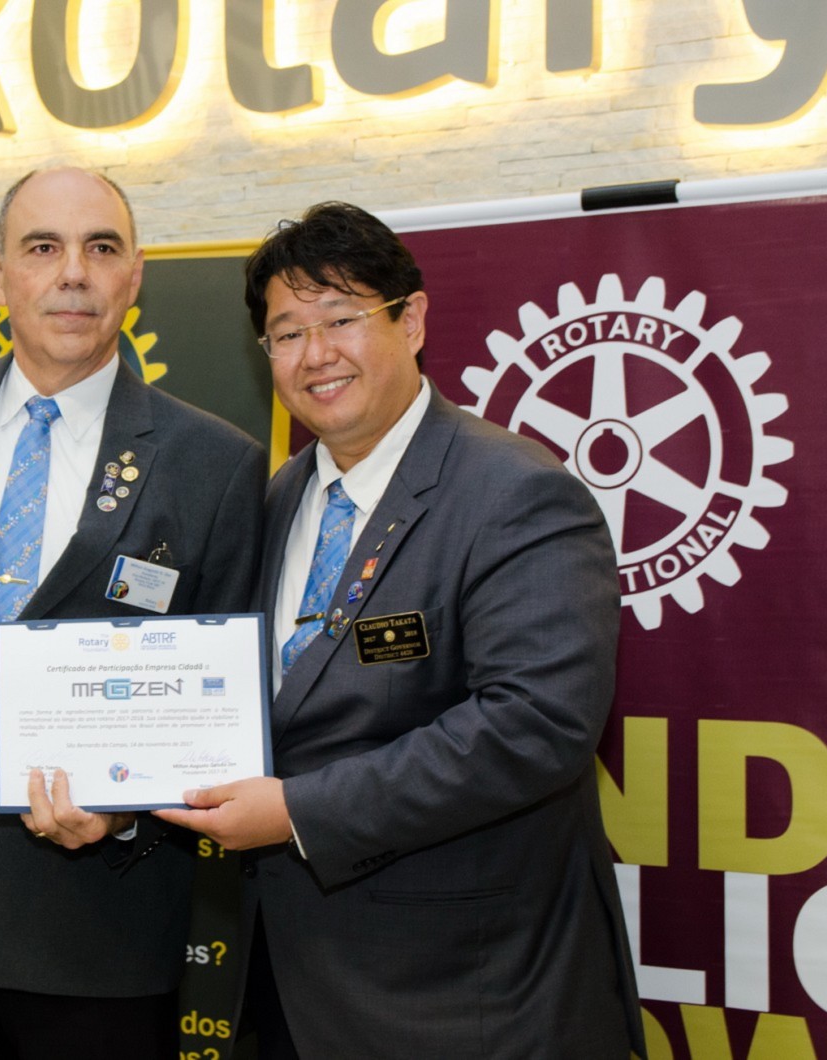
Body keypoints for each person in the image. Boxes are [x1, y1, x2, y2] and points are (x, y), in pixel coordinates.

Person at [156, 203, 645, 1058]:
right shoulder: (276, 497)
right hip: (290, 983)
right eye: (287, 333)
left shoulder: (517, 494)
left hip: (466, 996)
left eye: (341, 318)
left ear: (411, 319)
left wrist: (298, 812)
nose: (315, 354)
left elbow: (535, 726)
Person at [0, 166, 266, 1058]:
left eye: (100, 248)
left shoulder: (215, 463)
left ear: (134, 276)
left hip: (100, 938)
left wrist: (126, 808)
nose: (73, 272)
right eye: (43, 247)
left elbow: (224, 707)